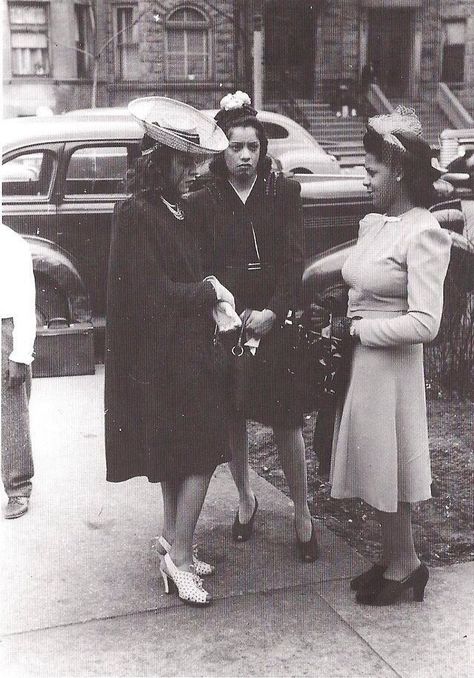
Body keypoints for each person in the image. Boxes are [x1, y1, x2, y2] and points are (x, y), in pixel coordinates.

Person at [104, 96, 234, 607]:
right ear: (159, 160)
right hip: (164, 359)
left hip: (183, 355)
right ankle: (178, 558)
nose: (196, 172)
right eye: (187, 162)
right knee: (204, 451)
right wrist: (209, 290)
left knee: (184, 451)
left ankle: (173, 537)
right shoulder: (136, 212)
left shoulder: (169, 208)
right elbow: (149, 294)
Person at [186, 91, 319, 561]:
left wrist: (275, 313)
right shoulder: (203, 200)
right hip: (228, 324)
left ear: (264, 150)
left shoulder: (284, 193)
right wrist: (227, 315)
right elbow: (201, 265)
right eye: (234, 147)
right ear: (220, 150)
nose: (245, 157)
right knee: (231, 417)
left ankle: (302, 512)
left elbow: (293, 260)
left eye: (253, 148)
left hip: (271, 321)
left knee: (286, 420)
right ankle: (246, 499)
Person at [330, 107, 452, 605]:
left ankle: (407, 566)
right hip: (365, 365)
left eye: (371, 171)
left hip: (392, 367)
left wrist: (360, 329)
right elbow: (359, 282)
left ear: (398, 171)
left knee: (391, 465)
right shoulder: (376, 223)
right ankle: (395, 558)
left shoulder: (423, 231)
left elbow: (427, 323)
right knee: (380, 466)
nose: (365, 180)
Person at [0, 223, 36, 519]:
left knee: (11, 415)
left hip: (4, 331)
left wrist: (20, 354)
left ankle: (18, 487)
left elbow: (26, 303)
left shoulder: (11, 244)